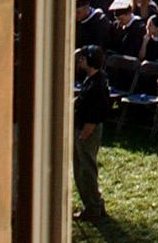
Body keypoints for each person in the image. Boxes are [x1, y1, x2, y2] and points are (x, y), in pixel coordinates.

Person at [73, 46, 113, 223]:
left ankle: (92, 207)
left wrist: (83, 134)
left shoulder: (96, 85)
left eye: (82, 59)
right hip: (86, 128)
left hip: (86, 130)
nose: (80, 61)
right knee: (84, 166)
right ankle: (95, 202)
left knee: (84, 169)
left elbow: (94, 114)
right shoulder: (95, 79)